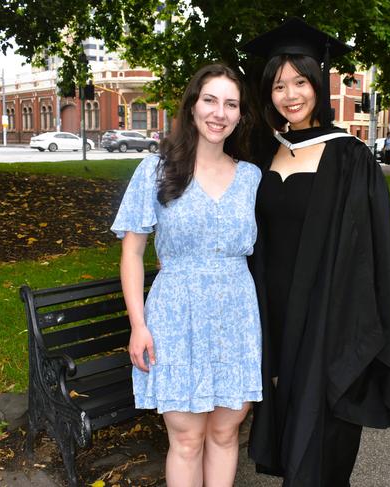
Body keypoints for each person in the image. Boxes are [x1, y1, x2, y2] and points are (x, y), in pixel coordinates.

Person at [242, 18, 390, 487]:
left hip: (328, 320)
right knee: (289, 435)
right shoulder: (264, 153)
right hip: (274, 318)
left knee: (321, 444)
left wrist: (362, 328)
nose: (290, 94)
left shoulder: (350, 157)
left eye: (300, 81)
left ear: (319, 81)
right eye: (279, 85)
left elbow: (375, 251)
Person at [111, 63, 262, 487]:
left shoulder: (250, 178)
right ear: (193, 106)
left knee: (224, 431)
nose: (220, 112)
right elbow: (132, 253)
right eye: (210, 100)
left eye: (231, 104)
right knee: (188, 438)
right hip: (176, 317)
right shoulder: (155, 171)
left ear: (240, 115)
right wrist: (138, 325)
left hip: (236, 317)